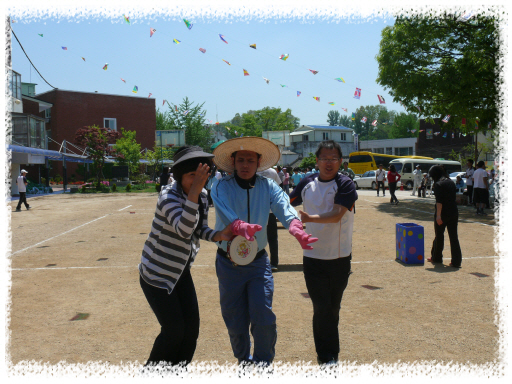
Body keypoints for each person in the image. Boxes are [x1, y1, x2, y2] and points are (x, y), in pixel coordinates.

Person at [211, 137, 317, 368]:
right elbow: (223, 207)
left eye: (251, 160)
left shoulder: (268, 186)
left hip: (258, 262)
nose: (246, 164)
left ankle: (263, 364)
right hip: (229, 264)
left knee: (263, 315)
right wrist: (238, 225)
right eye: (241, 160)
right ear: (233, 162)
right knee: (235, 320)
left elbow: (283, 204)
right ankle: (243, 360)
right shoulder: (221, 186)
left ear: (259, 162)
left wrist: (295, 226)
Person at [139, 146, 232, 369]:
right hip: (157, 273)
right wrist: (193, 195)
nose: (198, 181)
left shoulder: (201, 195)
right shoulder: (167, 196)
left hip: (180, 270)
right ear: (180, 175)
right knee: (173, 330)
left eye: (202, 175)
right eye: (192, 176)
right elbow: (183, 229)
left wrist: (219, 234)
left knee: (191, 330)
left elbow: (198, 229)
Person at [289, 140, 357, 366]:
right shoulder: (307, 182)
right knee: (321, 307)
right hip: (312, 257)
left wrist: (308, 219)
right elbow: (287, 202)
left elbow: (337, 214)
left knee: (333, 308)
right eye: (324, 158)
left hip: (339, 257)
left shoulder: (345, 184)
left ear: (340, 161)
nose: (329, 163)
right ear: (316, 161)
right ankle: (326, 356)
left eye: (334, 158)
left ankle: (330, 353)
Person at [426, 165, 462, 268]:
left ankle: (437, 257)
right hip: (453, 212)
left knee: (439, 235)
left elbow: (439, 202)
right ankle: (456, 261)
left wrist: (438, 216)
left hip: (443, 213)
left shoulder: (438, 184)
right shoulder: (451, 181)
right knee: (454, 237)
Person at [256, 166, 282, 272]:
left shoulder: (254, 171)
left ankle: (256, 261)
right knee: (272, 238)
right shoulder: (272, 171)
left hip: (256, 210)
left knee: (255, 237)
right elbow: (278, 188)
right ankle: (274, 263)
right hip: (271, 209)